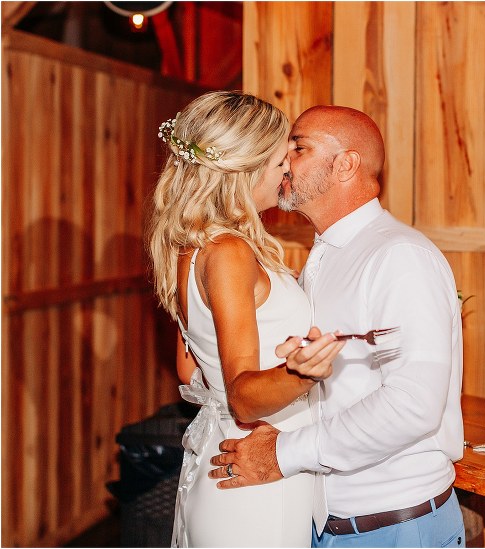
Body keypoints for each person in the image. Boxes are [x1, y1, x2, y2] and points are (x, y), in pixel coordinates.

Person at [209, 105, 466, 547]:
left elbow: (412, 404)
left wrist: (283, 454)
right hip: (330, 521)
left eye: (299, 147)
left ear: (346, 164)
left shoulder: (400, 257)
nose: (284, 161)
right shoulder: (324, 255)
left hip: (394, 526)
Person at [147, 91, 345, 547]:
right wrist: (302, 372)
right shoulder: (231, 253)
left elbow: (188, 369)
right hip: (257, 482)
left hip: (224, 457)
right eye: (280, 162)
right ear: (246, 170)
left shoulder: (189, 246)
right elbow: (243, 398)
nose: (288, 171)